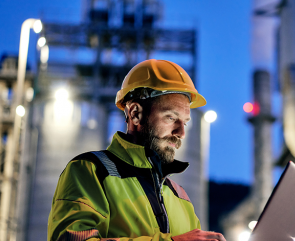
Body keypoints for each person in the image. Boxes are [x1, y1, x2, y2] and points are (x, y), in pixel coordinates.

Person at [47, 59, 226, 241]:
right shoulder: (91, 171)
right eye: (171, 118)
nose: (181, 133)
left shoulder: (180, 197)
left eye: (185, 122)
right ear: (135, 114)